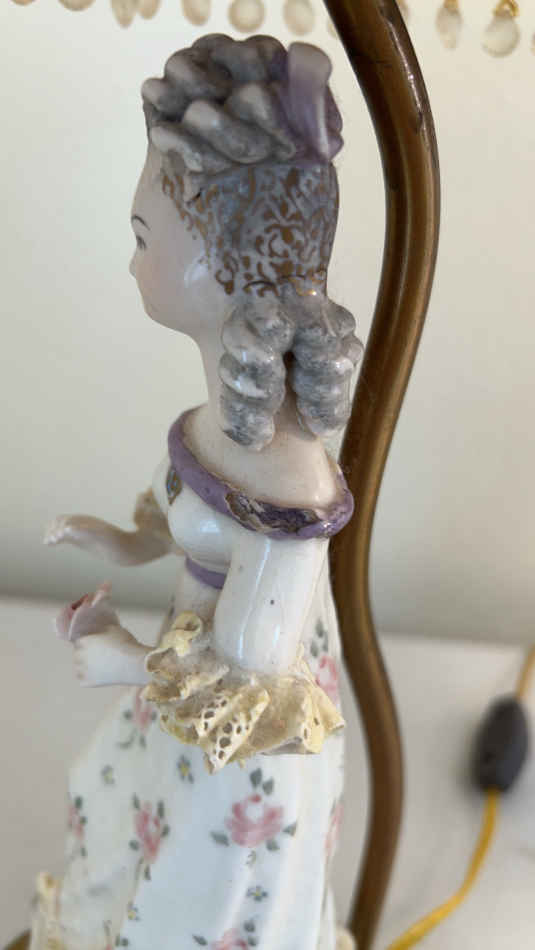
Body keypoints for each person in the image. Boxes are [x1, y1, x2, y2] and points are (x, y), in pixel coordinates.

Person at [30, 34, 362, 950]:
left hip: (233, 761)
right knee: (112, 821)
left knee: (184, 901)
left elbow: (256, 685)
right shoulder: (221, 420)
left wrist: (124, 659)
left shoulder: (289, 491)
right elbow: (178, 525)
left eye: (145, 239)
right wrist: (117, 540)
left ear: (222, 264)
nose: (130, 261)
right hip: (173, 711)